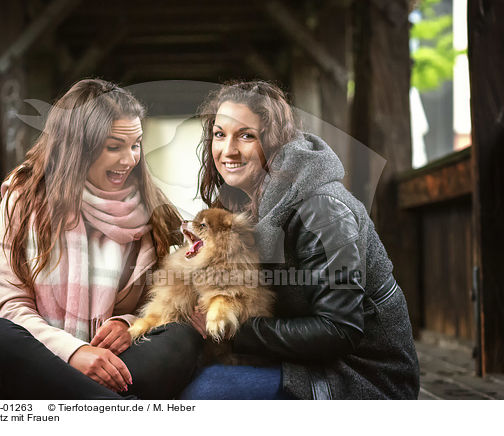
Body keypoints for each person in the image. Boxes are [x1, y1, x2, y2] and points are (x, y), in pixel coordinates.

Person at [0, 79, 202, 400]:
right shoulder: (22, 200)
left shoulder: (150, 209)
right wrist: (74, 353)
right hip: (40, 356)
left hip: (116, 364)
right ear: (76, 146)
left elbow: (155, 302)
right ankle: (121, 413)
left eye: (135, 144)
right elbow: (9, 306)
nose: (130, 160)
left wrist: (127, 324)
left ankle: (11, 401)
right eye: (114, 147)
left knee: (182, 336)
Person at [180, 80, 420, 400]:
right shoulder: (245, 201)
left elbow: (339, 330)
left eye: (246, 135)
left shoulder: (323, 210)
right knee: (180, 370)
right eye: (220, 134)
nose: (228, 150)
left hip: (362, 376)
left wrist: (234, 331)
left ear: (274, 141)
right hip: (299, 360)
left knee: (205, 393)